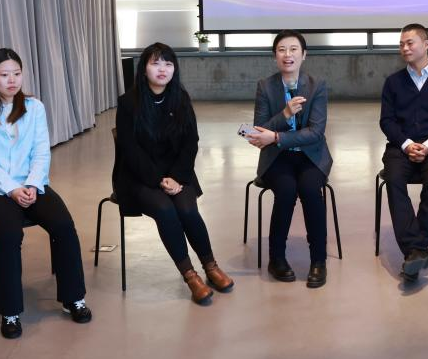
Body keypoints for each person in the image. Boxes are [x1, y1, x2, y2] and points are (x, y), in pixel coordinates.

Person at [0, 48, 90, 339]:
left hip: (32, 184)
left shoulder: (35, 108)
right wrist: (11, 189)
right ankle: (10, 312)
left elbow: (41, 151)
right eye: (4, 74)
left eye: (17, 73)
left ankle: (74, 297)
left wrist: (32, 185)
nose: (12, 80)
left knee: (63, 225)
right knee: (10, 232)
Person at [114, 43, 233, 306]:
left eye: (168, 64)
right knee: (165, 210)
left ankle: (210, 266)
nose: (162, 69)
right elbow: (129, 150)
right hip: (140, 176)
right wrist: (158, 179)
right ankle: (190, 276)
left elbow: (191, 142)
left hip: (178, 173)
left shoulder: (180, 98)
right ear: (144, 68)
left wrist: (177, 177)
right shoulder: (128, 102)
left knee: (188, 210)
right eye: (155, 63)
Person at [246, 31, 333, 288]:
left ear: (304, 55)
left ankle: (318, 260)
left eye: (294, 49)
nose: (288, 54)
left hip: (311, 155)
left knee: (310, 190)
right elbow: (259, 129)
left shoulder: (317, 85)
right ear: (275, 56)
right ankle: (277, 259)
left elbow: (316, 132)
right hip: (277, 157)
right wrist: (284, 114)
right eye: (282, 50)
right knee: (285, 191)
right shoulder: (265, 86)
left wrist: (276, 137)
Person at [379, 24, 428, 283]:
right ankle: (416, 250)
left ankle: (415, 249)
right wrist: (406, 144)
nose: (404, 48)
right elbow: (386, 121)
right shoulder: (393, 82)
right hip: (400, 147)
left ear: (426, 44)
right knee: (393, 180)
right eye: (401, 44)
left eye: (410, 42)